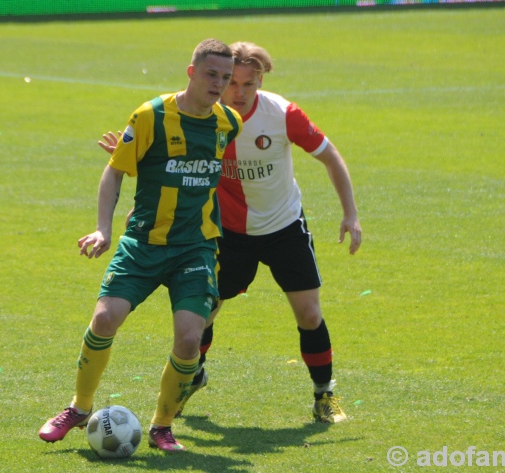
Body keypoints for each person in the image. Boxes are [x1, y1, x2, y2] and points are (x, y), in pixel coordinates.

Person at [100, 41, 361, 424]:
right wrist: (140, 189)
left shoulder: (282, 114)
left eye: (246, 84)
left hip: (283, 226)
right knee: (203, 312)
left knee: (308, 313)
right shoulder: (208, 117)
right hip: (228, 232)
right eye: (230, 82)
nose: (236, 92)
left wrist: (350, 214)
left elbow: (329, 155)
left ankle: (324, 394)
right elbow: (176, 167)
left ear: (260, 81)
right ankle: (193, 377)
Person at [38, 38, 242, 452]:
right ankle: (79, 408)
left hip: (195, 247)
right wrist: (103, 229)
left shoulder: (228, 122)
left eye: (225, 77)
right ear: (191, 72)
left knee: (189, 338)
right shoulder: (151, 115)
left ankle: (162, 426)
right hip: (144, 242)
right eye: (211, 74)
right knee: (104, 319)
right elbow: (115, 171)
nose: (218, 83)